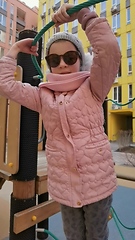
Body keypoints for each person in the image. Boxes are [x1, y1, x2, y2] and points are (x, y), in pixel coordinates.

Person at [0, 4, 121, 240]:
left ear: (80, 59)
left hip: (97, 185)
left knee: (96, 235)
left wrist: (83, 16)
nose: (63, 64)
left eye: (70, 57)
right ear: (49, 64)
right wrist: (14, 49)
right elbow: (7, 85)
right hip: (65, 188)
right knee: (73, 236)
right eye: (55, 59)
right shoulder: (43, 95)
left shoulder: (94, 86)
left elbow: (107, 49)